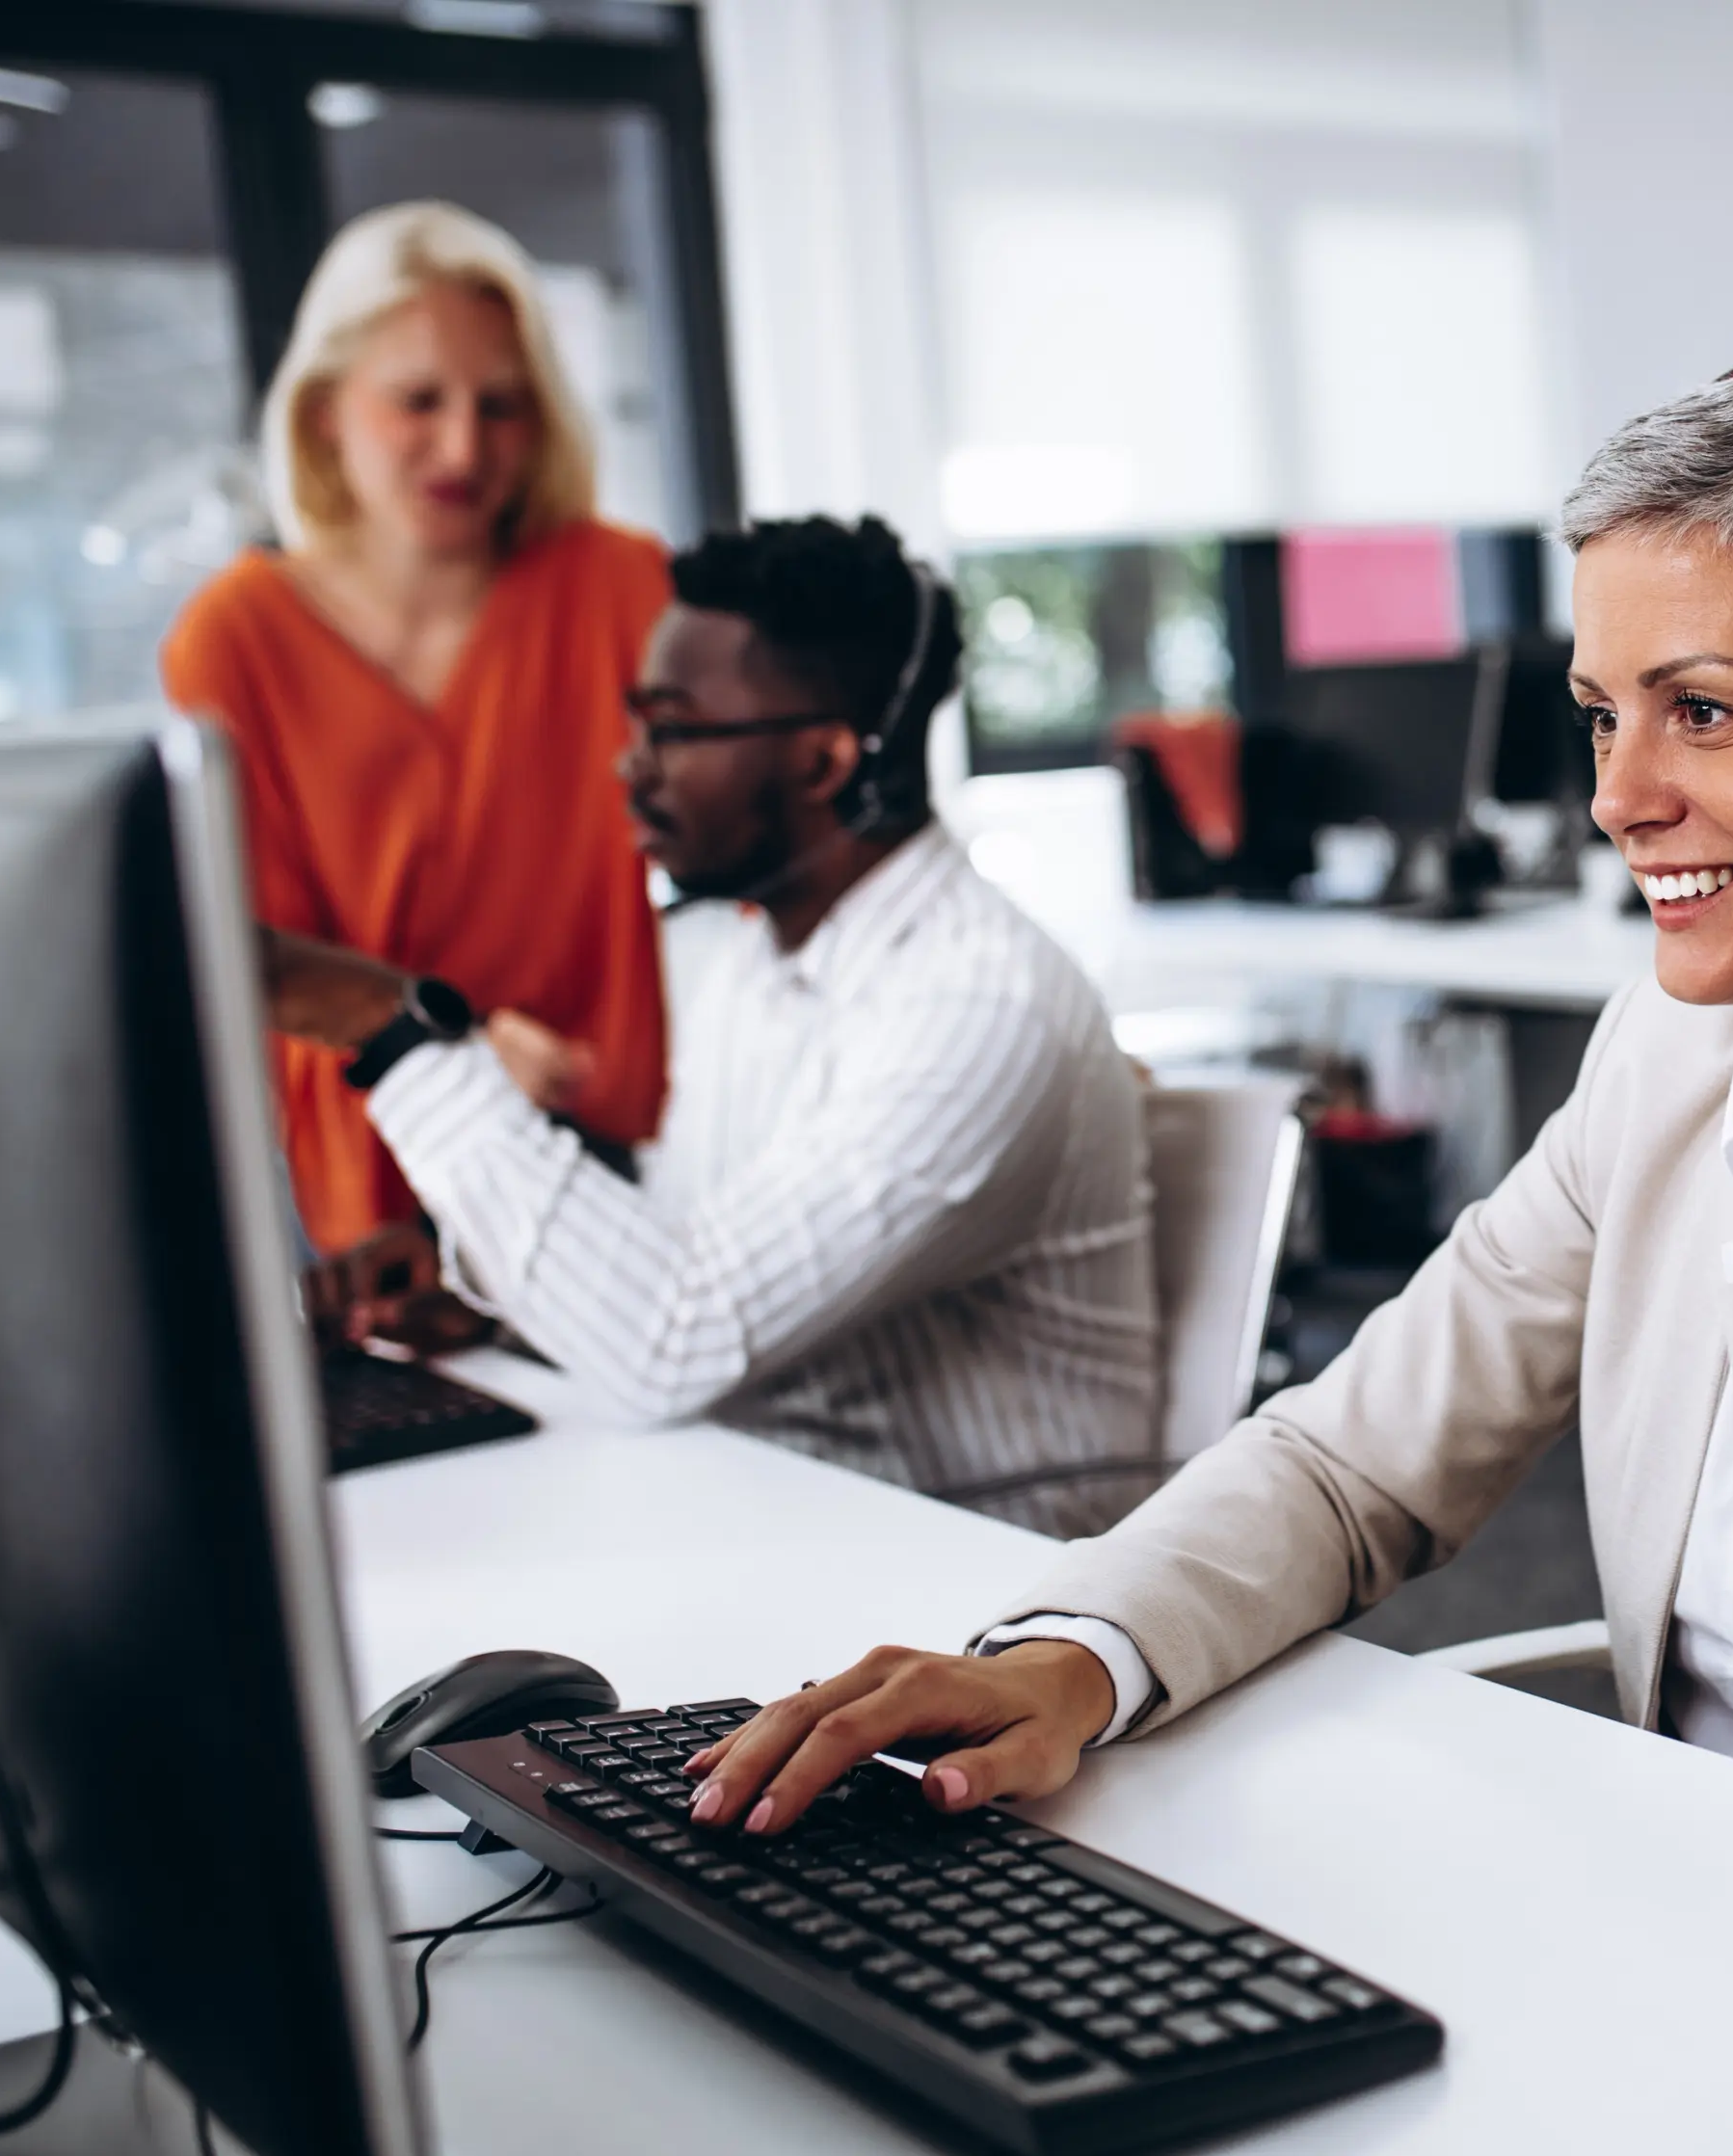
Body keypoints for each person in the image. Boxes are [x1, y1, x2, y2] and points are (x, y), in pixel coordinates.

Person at [685, 363, 1733, 1923]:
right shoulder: (1666, 1060)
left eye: (1702, 711)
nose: (1615, 796)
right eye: (1602, 711)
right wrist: (1078, 1657)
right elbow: (1359, 1461)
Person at [265, 515, 1160, 1531]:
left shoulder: (981, 1005)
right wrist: (490, 1293)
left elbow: (673, 1337)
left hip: (979, 1594)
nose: (630, 767)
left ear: (824, 762)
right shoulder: (734, 961)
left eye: (675, 729)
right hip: (774, 1524)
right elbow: (694, 1262)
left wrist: (387, 1021)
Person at [165, 200, 668, 1294]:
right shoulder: (235, 638)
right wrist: (466, 1049)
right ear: (325, 411)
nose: (464, 446)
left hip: (620, 1165)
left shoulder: (622, 587)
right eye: (418, 401)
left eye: (503, 406)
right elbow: (260, 959)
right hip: (372, 1199)